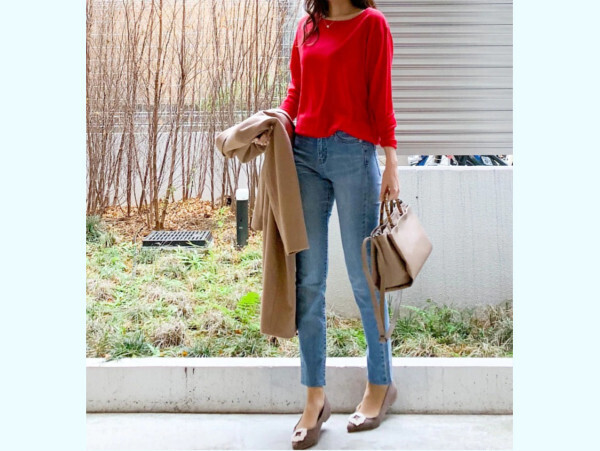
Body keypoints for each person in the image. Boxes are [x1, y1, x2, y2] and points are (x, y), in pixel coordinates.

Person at [256, 1, 400, 448]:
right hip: (304, 157)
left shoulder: (372, 25)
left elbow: (381, 96)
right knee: (310, 281)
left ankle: (380, 383)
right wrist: (277, 119)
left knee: (364, 277)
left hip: (354, 154)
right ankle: (315, 398)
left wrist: (391, 160)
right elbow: (297, 92)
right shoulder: (307, 26)